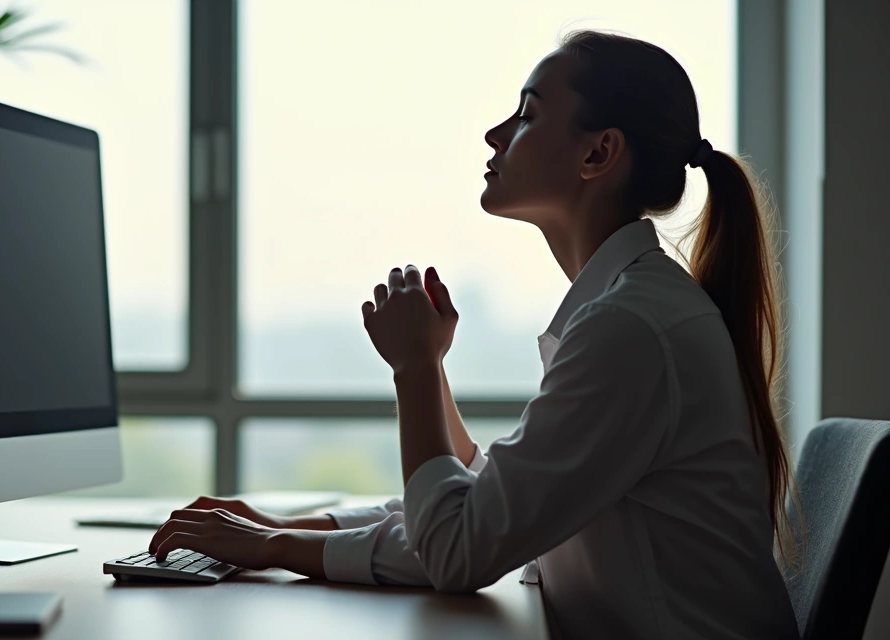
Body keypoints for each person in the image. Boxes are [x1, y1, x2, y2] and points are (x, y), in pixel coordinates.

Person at [148, 30, 800, 639]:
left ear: (598, 152)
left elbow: (459, 548)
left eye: (526, 115)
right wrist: (284, 530)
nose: (495, 134)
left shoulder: (629, 329)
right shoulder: (628, 307)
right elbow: (493, 502)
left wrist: (414, 371)